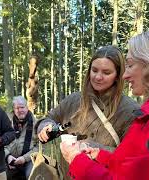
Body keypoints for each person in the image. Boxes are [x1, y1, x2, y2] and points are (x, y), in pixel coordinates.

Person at [61, 27, 149, 179]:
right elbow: (139, 169)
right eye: (94, 70)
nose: (125, 75)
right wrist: (100, 156)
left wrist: (76, 160)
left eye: (130, 65)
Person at [38, 45, 140, 179]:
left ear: (117, 76)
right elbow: (49, 118)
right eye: (94, 70)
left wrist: (92, 148)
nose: (98, 77)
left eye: (106, 72)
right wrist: (45, 127)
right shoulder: (74, 99)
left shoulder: (130, 109)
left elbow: (131, 157)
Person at [5, 96, 39, 180]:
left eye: (22, 107)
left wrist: (24, 158)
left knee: (32, 175)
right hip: (10, 160)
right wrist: (8, 157)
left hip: (29, 160)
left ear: (27, 107)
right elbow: (1, 143)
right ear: (13, 109)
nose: (20, 110)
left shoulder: (37, 124)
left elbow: (39, 147)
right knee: (0, 175)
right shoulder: (6, 123)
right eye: (17, 108)